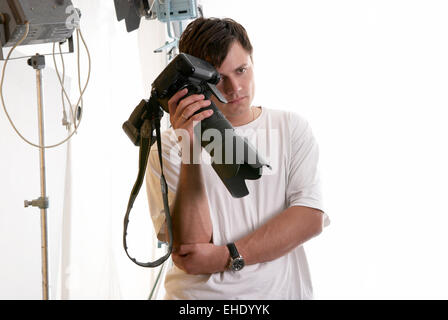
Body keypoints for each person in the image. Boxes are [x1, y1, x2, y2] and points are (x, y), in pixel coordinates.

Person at [145, 17, 330, 300]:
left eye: (241, 70)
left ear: (252, 61)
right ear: (196, 79)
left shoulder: (290, 128)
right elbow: (192, 248)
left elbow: (309, 217)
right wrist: (191, 146)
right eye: (218, 78)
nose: (234, 89)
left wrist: (227, 256)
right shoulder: (169, 147)